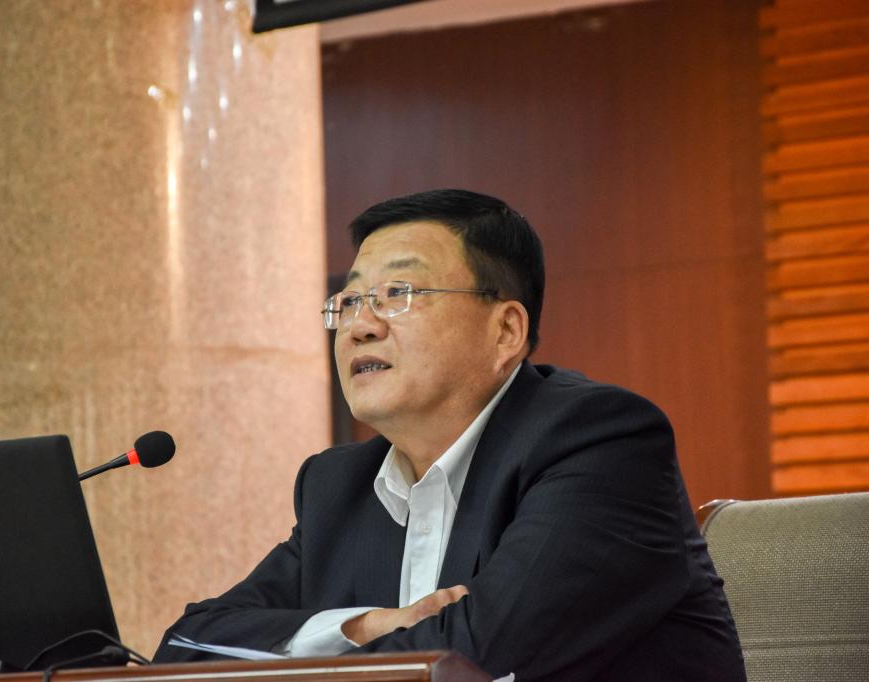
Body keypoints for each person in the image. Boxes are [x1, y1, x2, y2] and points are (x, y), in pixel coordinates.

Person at [154, 189, 746, 681]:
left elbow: (476, 658)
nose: (360, 326)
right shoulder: (338, 485)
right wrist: (364, 625)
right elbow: (187, 645)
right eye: (350, 300)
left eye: (399, 294)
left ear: (505, 330)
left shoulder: (600, 442)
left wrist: (316, 652)